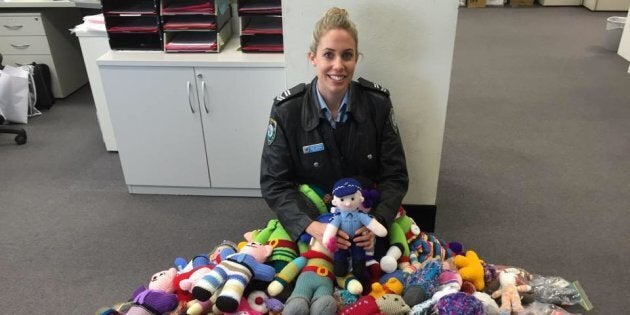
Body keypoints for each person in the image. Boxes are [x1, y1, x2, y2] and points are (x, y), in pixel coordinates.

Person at [260, 7, 408, 257]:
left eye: (347, 55)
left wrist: (377, 221)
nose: (338, 66)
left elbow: (395, 176)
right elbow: (275, 182)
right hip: (310, 216)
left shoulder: (378, 105)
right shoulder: (288, 110)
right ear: (313, 58)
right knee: (289, 279)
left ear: (356, 58)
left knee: (390, 279)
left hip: (366, 219)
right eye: (328, 55)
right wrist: (310, 226)